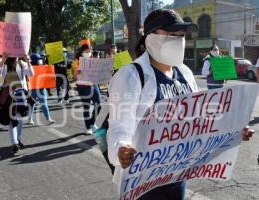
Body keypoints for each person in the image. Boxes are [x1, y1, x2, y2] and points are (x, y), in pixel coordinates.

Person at [107, 9, 254, 200]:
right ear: (150, 38)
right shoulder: (132, 75)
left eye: (181, 35)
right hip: (142, 180)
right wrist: (121, 148)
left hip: (176, 176)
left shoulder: (185, 73)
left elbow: (200, 120)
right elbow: (120, 124)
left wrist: (233, 130)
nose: (178, 39)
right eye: (171, 34)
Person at [0, 55, 34, 155]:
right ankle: (14, 144)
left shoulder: (22, 64)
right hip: (8, 96)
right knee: (12, 121)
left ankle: (17, 139)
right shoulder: (4, 65)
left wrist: (28, 61)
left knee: (20, 119)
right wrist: (2, 62)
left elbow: (31, 74)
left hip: (21, 95)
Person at [72, 44, 101, 135]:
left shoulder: (93, 60)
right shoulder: (76, 61)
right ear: (81, 52)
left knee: (98, 105)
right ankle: (88, 127)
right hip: (83, 87)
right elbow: (74, 76)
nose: (88, 53)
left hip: (93, 85)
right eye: (86, 52)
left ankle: (92, 123)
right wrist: (79, 71)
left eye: (89, 51)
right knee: (86, 107)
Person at [28, 54, 54, 125]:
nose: (40, 61)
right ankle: (30, 119)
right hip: (32, 89)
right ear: (34, 61)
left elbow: (48, 72)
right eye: (38, 59)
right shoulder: (29, 68)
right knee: (31, 104)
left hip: (41, 89)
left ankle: (48, 118)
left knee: (44, 104)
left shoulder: (43, 67)